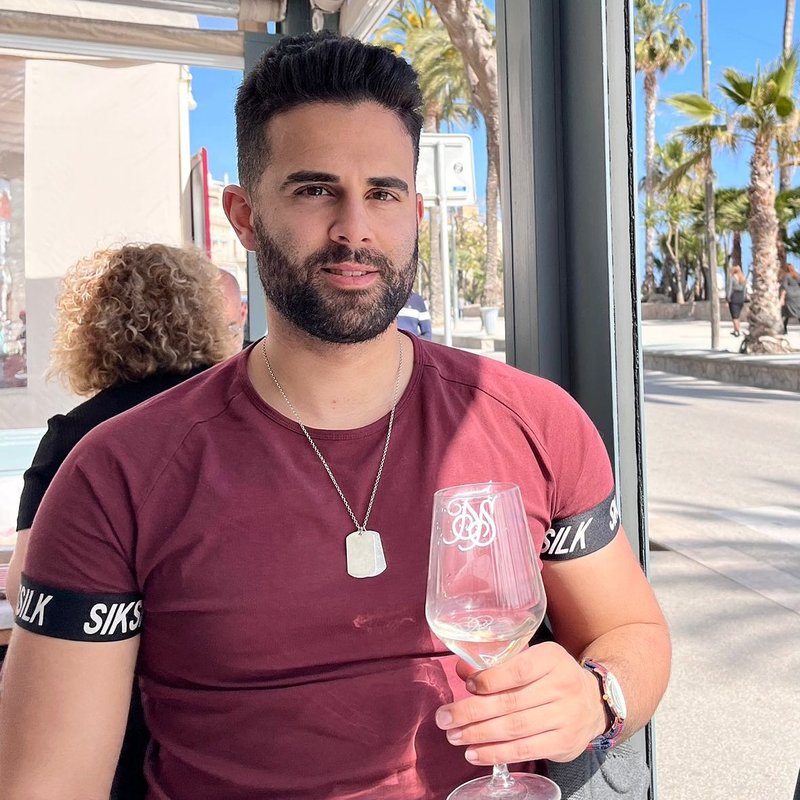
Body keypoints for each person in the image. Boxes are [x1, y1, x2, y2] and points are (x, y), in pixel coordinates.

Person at [0, 33, 670, 800]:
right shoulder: (117, 474)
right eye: (316, 190)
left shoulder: (535, 421)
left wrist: (599, 696)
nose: (355, 229)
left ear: (415, 212)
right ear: (245, 216)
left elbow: (633, 633)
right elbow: (49, 784)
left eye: (383, 194)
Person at [726, 264, 748, 337]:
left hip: (734, 297)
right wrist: (744, 298)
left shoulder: (732, 278)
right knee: (738, 315)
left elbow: (730, 289)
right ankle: (736, 329)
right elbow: (745, 290)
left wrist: (728, 298)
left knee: (734, 316)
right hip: (740, 297)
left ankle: (737, 331)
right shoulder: (743, 278)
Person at [780, 262, 800, 334]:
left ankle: (784, 329)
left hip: (789, 296)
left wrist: (782, 298)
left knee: (786, 313)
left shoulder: (786, 276)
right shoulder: (798, 275)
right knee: (798, 312)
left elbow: (784, 287)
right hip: (798, 295)